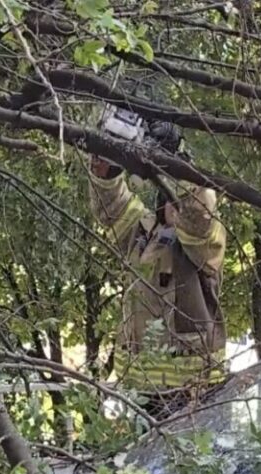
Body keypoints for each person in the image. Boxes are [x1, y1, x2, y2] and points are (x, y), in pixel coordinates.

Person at [89, 105, 227, 419]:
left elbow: (198, 216)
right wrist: (108, 162)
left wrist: (176, 158)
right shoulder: (143, 229)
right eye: (170, 203)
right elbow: (110, 207)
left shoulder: (205, 243)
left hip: (193, 394)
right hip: (140, 393)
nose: (175, 209)